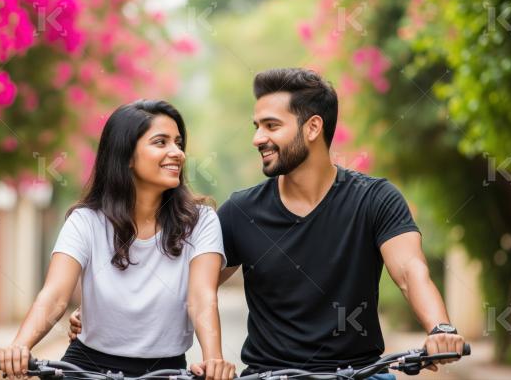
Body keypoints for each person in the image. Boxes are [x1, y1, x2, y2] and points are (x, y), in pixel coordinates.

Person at [71, 69, 466, 379]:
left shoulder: (375, 199)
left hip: (359, 373)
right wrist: (108, 306)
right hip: (268, 375)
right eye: (256, 126)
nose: (258, 138)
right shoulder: (241, 211)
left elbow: (410, 271)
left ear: (313, 128)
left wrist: (439, 328)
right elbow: (190, 286)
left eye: (271, 126)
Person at [0, 100, 236, 380]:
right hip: (86, 366)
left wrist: (213, 360)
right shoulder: (86, 221)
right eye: (161, 142)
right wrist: (20, 345)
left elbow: (201, 296)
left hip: (165, 369)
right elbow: (54, 296)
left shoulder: (201, 221)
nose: (177, 153)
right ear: (126, 157)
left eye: (178, 143)